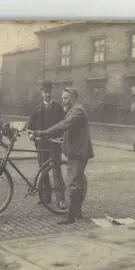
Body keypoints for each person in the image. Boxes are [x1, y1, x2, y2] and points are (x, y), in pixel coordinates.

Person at [35, 87, 94, 224]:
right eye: (62, 98)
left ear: (73, 98)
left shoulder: (77, 110)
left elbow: (64, 125)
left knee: (72, 183)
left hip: (78, 153)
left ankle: (70, 217)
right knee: (78, 183)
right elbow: (70, 131)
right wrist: (58, 140)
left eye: (66, 98)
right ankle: (76, 212)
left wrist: (44, 133)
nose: (63, 101)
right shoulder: (72, 110)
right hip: (76, 151)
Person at [27, 81, 66, 208]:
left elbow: (64, 125)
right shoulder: (37, 110)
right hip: (41, 145)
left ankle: (61, 199)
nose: (47, 94)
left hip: (54, 145)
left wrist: (60, 138)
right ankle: (46, 197)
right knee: (43, 172)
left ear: (52, 92)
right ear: (42, 93)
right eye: (45, 92)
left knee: (56, 171)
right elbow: (30, 127)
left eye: (49, 92)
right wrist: (32, 135)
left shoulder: (58, 108)